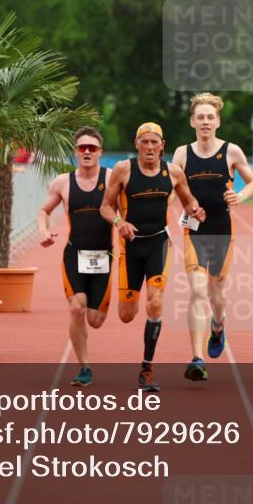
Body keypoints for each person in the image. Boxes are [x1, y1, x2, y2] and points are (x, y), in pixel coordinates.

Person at [100, 122, 206, 392]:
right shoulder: (124, 170)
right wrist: (119, 223)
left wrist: (196, 210)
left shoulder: (173, 172)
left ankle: (147, 368)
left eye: (154, 142)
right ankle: (130, 308)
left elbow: (189, 200)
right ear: (137, 144)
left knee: (155, 303)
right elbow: (105, 207)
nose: (149, 147)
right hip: (130, 247)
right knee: (126, 314)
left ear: (162, 146)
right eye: (144, 142)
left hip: (159, 243)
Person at [171, 92, 253, 381]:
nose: (205, 121)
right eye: (201, 117)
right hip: (193, 228)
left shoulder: (232, 152)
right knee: (197, 289)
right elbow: (173, 189)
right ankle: (197, 358)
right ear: (192, 121)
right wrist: (182, 206)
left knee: (216, 290)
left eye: (210, 117)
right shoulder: (182, 154)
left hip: (222, 227)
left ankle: (218, 325)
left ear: (218, 121)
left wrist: (240, 195)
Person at [37, 128, 113, 387]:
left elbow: (130, 207)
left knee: (96, 320)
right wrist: (44, 230)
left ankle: (91, 325)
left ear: (100, 151)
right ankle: (84, 367)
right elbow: (44, 211)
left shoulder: (113, 179)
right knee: (76, 308)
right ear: (76, 152)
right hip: (74, 254)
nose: (87, 152)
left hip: (104, 256)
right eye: (82, 148)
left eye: (92, 147)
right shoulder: (62, 182)